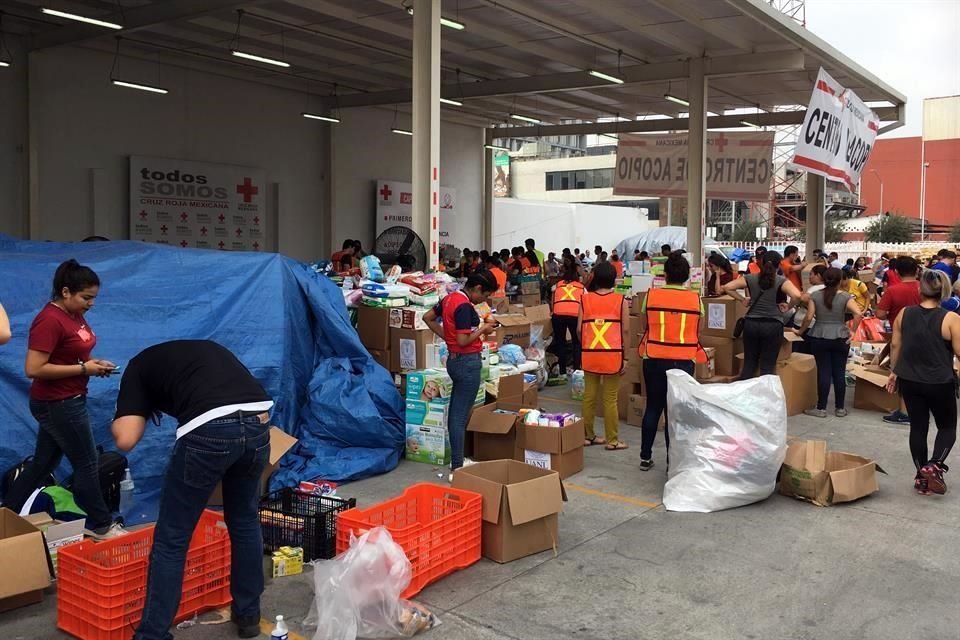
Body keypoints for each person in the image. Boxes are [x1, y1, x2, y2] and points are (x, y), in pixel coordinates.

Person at [110, 340, 274, 640]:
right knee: (245, 522)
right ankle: (249, 615)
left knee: (172, 538)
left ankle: (152, 634)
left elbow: (125, 439)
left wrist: (131, 410)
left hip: (209, 429)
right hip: (258, 419)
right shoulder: (199, 352)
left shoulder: (136, 368)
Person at [4, 260, 124, 539]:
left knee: (43, 465)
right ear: (66, 292)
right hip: (58, 403)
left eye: (93, 298)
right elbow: (33, 369)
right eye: (86, 297)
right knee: (87, 463)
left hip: (70, 399)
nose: (91, 304)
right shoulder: (49, 320)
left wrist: (92, 363)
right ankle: (102, 525)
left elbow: (69, 353)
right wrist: (84, 369)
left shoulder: (74, 316)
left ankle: (6, 512)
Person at [886, 270, 960, 495]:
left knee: (918, 427)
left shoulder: (904, 314)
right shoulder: (951, 319)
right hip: (940, 382)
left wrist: (893, 372)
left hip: (909, 379)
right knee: (947, 426)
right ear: (944, 292)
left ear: (920, 290)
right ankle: (934, 465)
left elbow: (895, 345)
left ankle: (922, 477)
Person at [637, 253, 707, 470]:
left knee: (653, 408)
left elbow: (643, 324)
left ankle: (645, 457)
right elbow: (699, 330)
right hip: (684, 360)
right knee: (675, 413)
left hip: (654, 357)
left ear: (664, 275)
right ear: (686, 277)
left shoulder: (652, 296)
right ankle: (672, 461)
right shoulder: (695, 299)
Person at [424, 272, 498, 476]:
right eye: (485, 295)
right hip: (467, 362)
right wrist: (483, 329)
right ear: (477, 289)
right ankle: (457, 465)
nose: (484, 300)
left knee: (457, 413)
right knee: (459, 416)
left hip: (454, 360)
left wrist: (449, 339)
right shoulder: (464, 307)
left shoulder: (449, 299)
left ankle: (457, 461)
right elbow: (464, 341)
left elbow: (427, 318)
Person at [723, 251, 804, 379]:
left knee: (749, 363)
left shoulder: (750, 278)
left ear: (761, 263)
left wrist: (742, 299)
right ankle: (764, 396)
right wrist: (788, 306)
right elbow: (797, 295)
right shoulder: (781, 281)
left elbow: (727, 287)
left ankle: (744, 395)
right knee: (767, 366)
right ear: (779, 265)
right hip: (772, 325)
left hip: (751, 324)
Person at [795, 268, 863, 418]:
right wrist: (852, 331)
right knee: (839, 371)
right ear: (840, 281)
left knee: (823, 371)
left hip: (819, 335)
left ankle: (821, 408)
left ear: (824, 280)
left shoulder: (815, 296)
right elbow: (858, 314)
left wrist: (800, 332)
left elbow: (809, 317)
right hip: (841, 335)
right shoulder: (846, 297)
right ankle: (840, 408)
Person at [579, 261, 628, 451]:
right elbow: (625, 331)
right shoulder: (621, 300)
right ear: (613, 279)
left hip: (590, 354)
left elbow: (578, 329)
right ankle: (612, 440)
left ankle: (587, 436)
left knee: (589, 396)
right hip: (612, 356)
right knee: (610, 398)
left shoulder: (585, 300)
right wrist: (625, 357)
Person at [876, 256, 922, 425]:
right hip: (928, 335)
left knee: (904, 374)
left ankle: (905, 412)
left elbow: (880, 314)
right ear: (917, 270)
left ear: (896, 271)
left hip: (903, 336)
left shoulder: (893, 291)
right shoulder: (925, 288)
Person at [551, 256, 584, 375]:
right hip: (575, 315)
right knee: (576, 342)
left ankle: (562, 371)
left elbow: (552, 296)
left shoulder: (558, 284)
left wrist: (553, 310)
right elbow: (584, 302)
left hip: (558, 314)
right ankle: (576, 369)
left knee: (560, 342)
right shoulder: (581, 287)